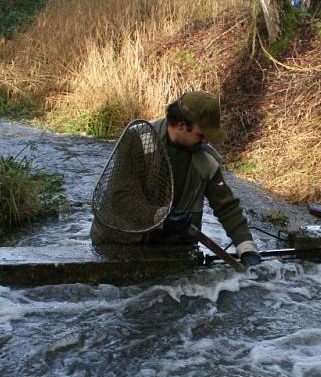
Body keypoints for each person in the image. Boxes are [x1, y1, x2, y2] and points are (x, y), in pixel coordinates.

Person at [90, 91, 261, 266]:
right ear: (181, 125)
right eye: (201, 135)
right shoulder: (138, 139)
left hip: (171, 248)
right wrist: (161, 217)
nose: (205, 141)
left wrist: (247, 249)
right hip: (120, 243)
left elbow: (227, 207)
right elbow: (121, 197)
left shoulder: (206, 160)